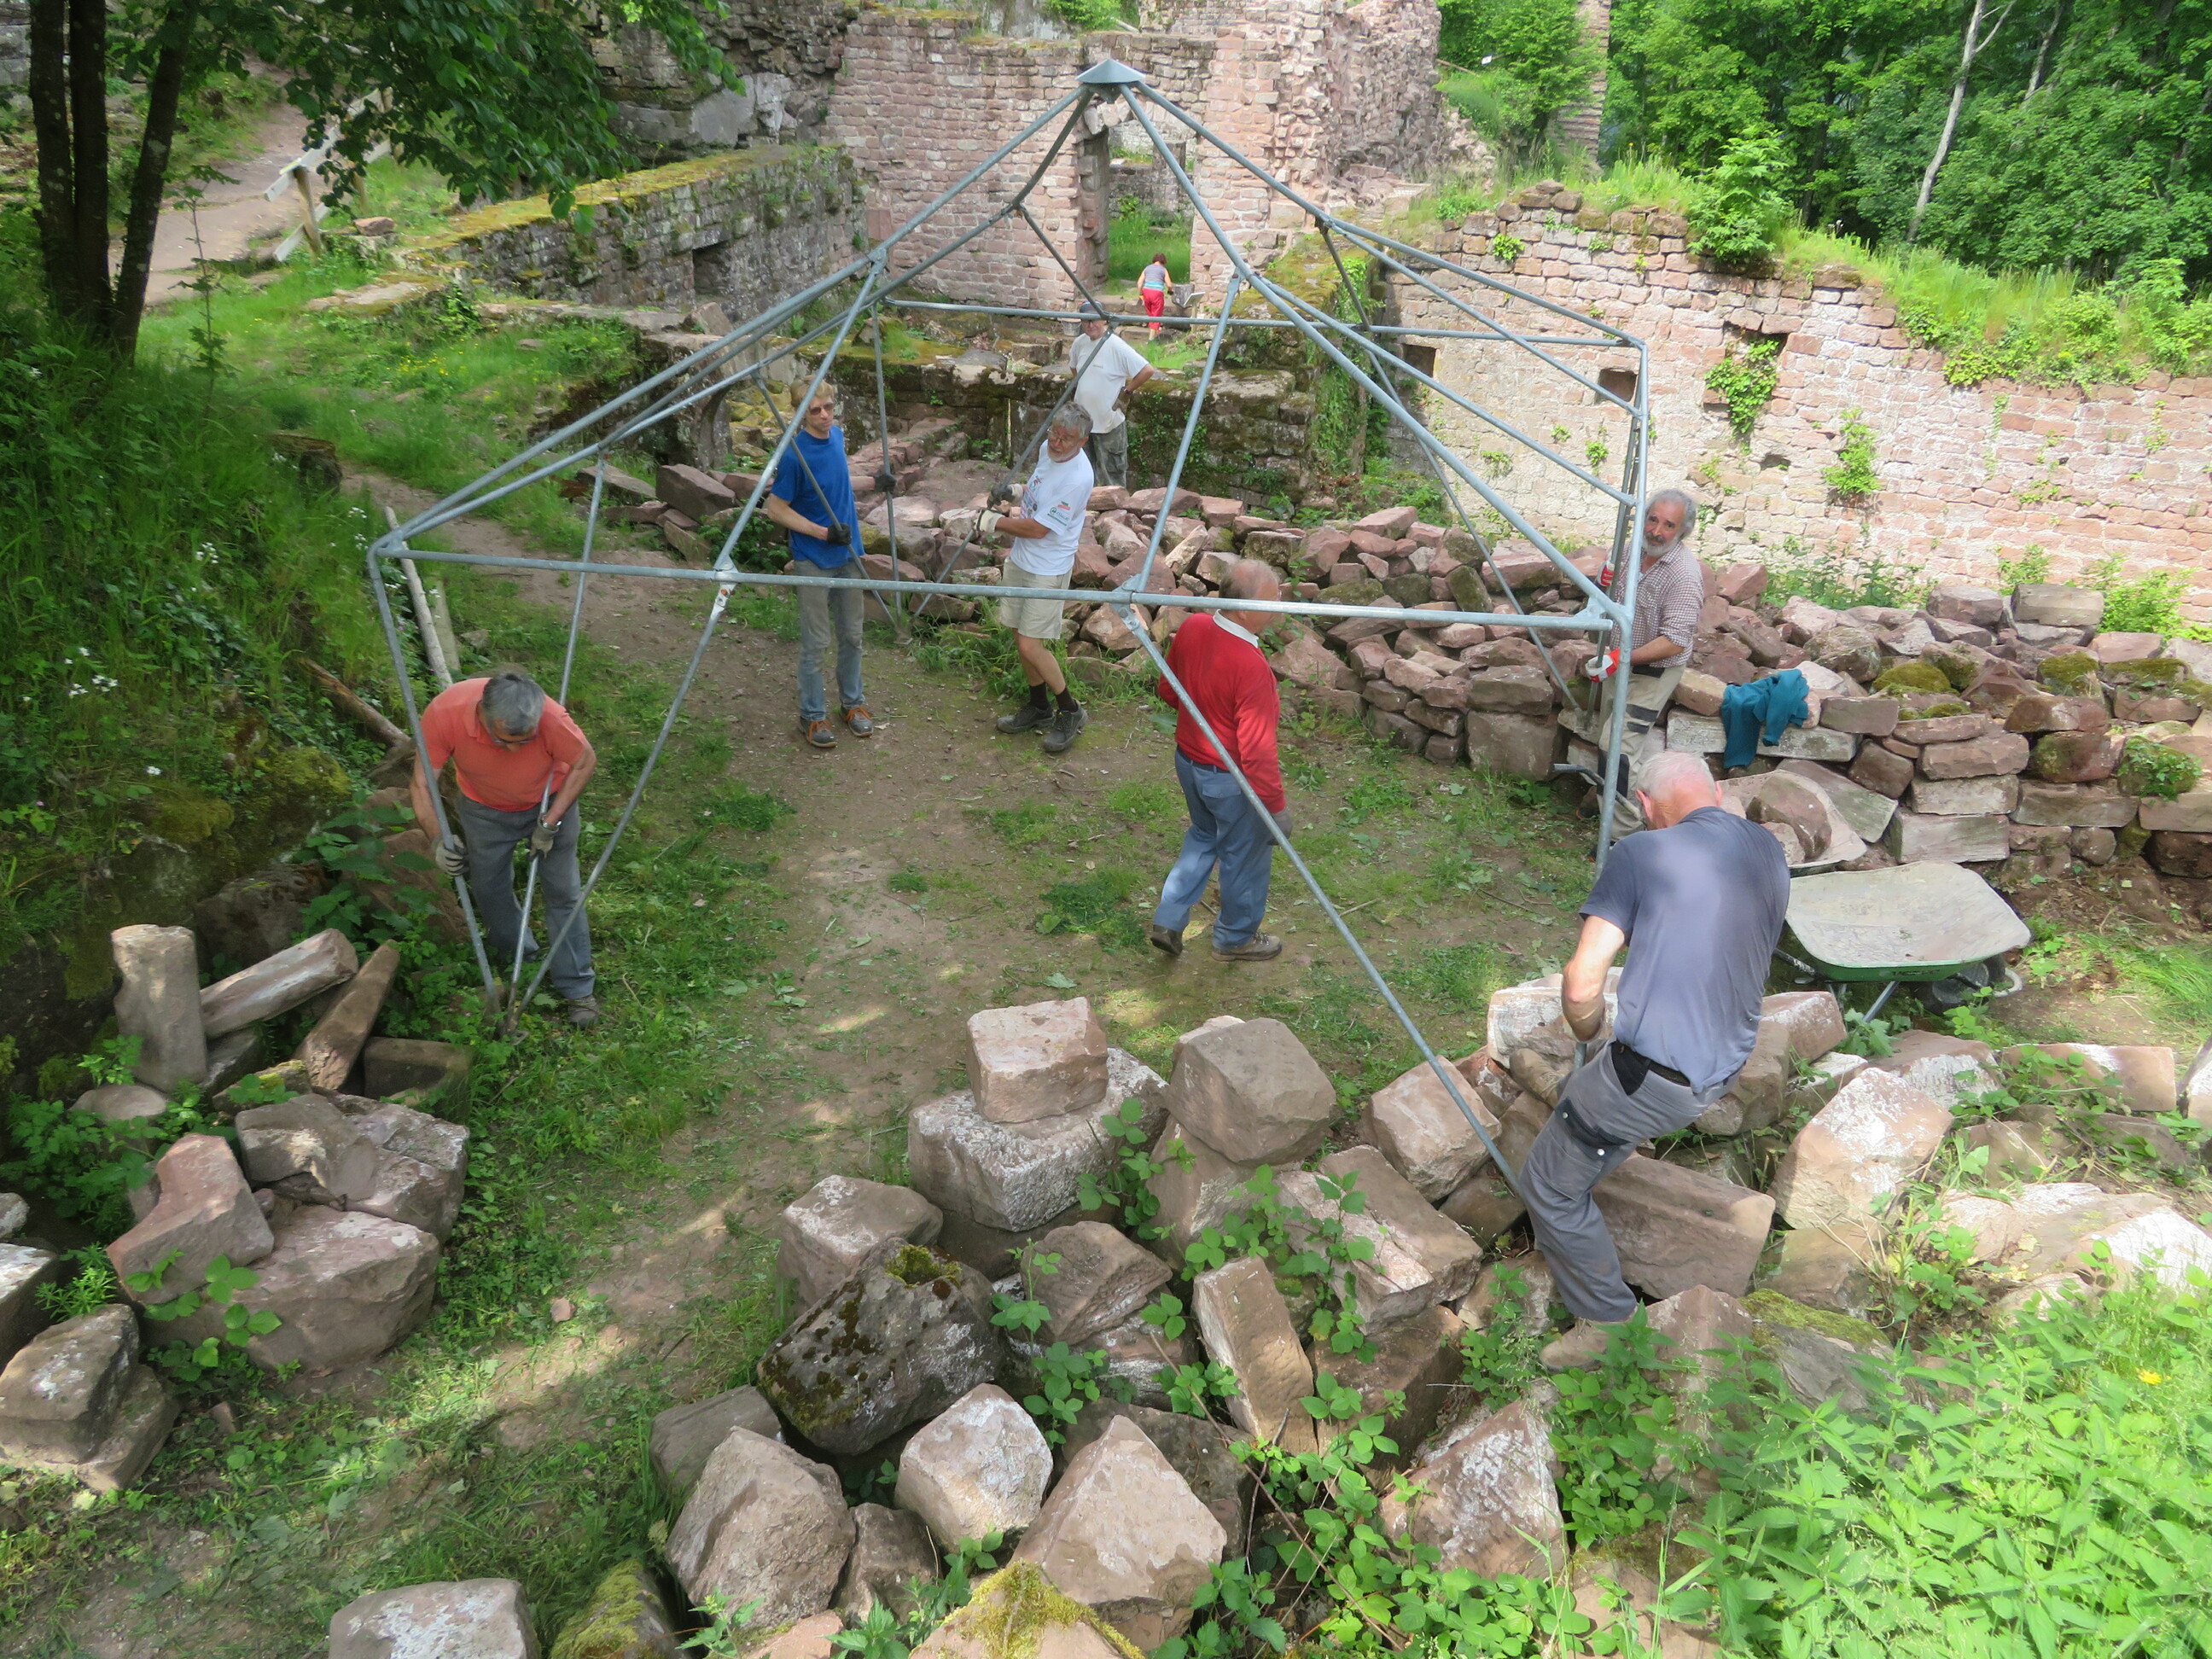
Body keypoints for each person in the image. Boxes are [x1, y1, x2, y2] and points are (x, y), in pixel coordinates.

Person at [1523, 751, 1790, 1366]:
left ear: (1645, 805)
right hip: (1724, 1060)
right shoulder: (1766, 849)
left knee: (1548, 1184)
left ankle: (1608, 1323)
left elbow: (1582, 984)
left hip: (1655, 1078)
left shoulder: (1640, 853)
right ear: (1715, 793)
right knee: (1597, 1097)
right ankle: (1602, 1129)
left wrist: (1587, 1027)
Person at [414, 670, 603, 1027]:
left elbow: (584, 760)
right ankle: (519, 959)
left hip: (550, 800)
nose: (515, 750)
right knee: (489, 889)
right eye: (504, 741)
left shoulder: (550, 717)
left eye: (525, 741)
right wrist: (437, 838)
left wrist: (551, 822)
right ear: (482, 716)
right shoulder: (445, 713)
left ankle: (577, 987)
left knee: (563, 892)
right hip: (484, 809)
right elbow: (422, 784)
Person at [1148, 561, 1291, 963]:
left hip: (1189, 763)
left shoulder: (1193, 627)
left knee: (1204, 834)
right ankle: (1235, 939)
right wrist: (1275, 809)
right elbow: (1257, 751)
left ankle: (1169, 918)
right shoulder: (1250, 665)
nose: (1279, 605)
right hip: (1230, 780)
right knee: (1244, 855)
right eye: (1272, 599)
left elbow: (1169, 689)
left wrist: (1204, 719)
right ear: (1243, 610)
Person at [1582, 488, 1708, 830]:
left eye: (1668, 525)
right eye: (1652, 520)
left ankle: (1623, 833)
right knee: (1606, 737)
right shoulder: (1630, 551)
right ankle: (1603, 801)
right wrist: (1602, 585)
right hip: (1619, 660)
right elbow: (1608, 602)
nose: (1656, 531)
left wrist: (1621, 657)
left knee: (1619, 748)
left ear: (1683, 531)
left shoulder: (1684, 575)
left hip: (1653, 671)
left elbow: (1675, 641)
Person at [762, 382, 870, 750]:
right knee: (817, 642)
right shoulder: (795, 456)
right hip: (814, 558)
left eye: (829, 407)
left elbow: (838, 480)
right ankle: (811, 715)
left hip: (848, 554)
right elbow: (775, 509)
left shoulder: (836, 437)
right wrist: (823, 534)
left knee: (852, 635)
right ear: (800, 413)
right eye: (815, 410)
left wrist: (875, 481)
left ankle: (852, 705)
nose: (825, 415)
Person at [986, 406, 1097, 754]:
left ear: (1083, 441)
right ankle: (1039, 706)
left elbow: (1038, 529)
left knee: (1030, 645)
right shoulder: (1049, 450)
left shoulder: (1078, 478)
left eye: (1066, 439)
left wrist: (993, 523)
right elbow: (1037, 488)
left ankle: (1070, 710)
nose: (1057, 443)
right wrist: (1014, 492)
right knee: (1019, 635)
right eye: (1054, 433)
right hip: (1022, 558)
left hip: (1048, 567)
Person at [1067, 301, 1154, 489]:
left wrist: (1127, 391)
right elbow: (1074, 367)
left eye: (1094, 320)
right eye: (1086, 321)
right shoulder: (1079, 343)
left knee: (1112, 480)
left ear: (1104, 320)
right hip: (1082, 424)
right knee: (1082, 476)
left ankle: (1115, 508)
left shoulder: (1116, 346)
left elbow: (1147, 370)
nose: (1090, 325)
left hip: (1108, 424)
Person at [1138, 255, 1173, 338]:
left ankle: (1155, 332)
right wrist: (1170, 291)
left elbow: (1139, 283)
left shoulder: (1147, 268)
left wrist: (1141, 294)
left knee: (1151, 315)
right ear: (1163, 261)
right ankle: (1151, 339)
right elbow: (1169, 285)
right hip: (1157, 294)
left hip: (1146, 292)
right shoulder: (1163, 270)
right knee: (1156, 316)